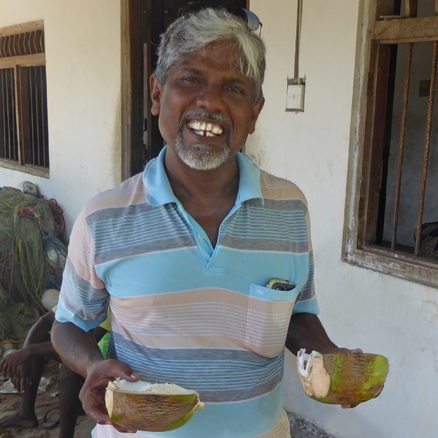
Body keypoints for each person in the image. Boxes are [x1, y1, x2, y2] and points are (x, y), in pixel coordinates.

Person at [51, 4, 359, 438]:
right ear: (158, 94)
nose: (210, 102)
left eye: (233, 88)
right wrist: (91, 364)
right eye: (190, 79)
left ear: (255, 111)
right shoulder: (104, 217)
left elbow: (296, 314)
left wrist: (329, 356)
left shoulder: (289, 208)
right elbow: (67, 325)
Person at [0, 309, 109, 438]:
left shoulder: (110, 301)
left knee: (68, 368)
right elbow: (45, 320)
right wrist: (25, 354)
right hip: (87, 357)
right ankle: (25, 413)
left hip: (104, 363)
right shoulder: (80, 291)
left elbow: (84, 345)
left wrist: (29, 351)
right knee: (36, 346)